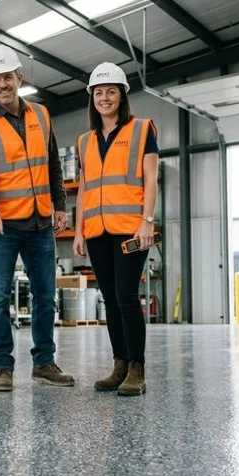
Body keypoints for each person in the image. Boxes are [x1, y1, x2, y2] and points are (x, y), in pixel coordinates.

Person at [0, 44, 74, 392]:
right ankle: (3, 366)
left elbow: (53, 164)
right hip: (4, 224)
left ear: (19, 78)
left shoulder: (41, 115)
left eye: (7, 77)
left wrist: (59, 204)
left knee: (45, 296)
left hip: (41, 221)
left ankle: (44, 362)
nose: (2, 85)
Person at [72, 62, 159, 396]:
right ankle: (119, 363)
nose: (104, 98)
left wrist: (146, 221)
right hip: (96, 229)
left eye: (111, 91)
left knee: (125, 296)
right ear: (92, 98)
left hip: (131, 229)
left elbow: (151, 178)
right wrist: (79, 231)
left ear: (122, 96)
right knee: (109, 298)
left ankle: (137, 367)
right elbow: (83, 189)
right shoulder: (84, 141)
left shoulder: (141, 129)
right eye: (98, 92)